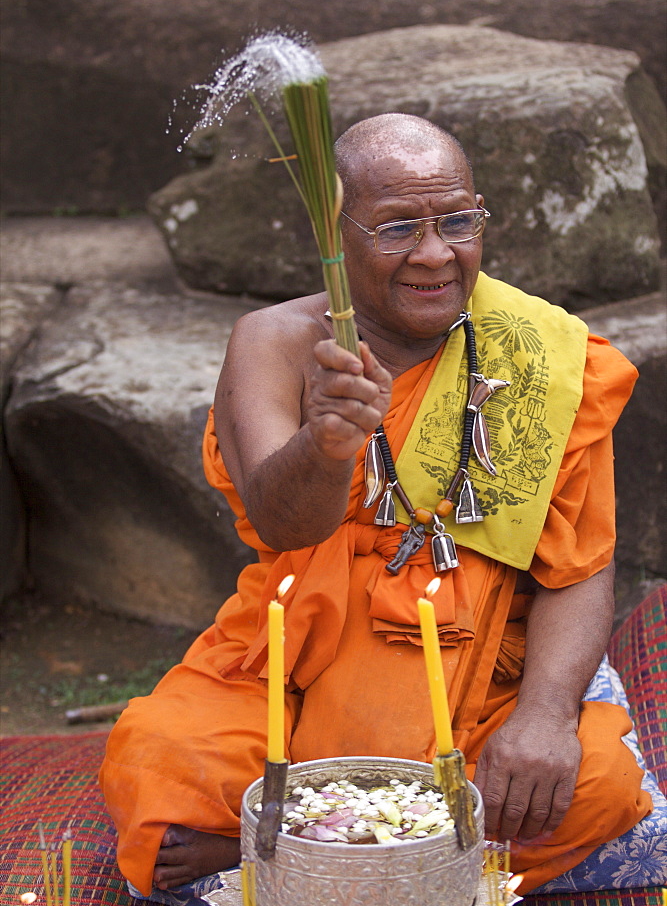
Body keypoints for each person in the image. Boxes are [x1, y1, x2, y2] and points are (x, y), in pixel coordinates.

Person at [100, 113, 651, 899]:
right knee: (162, 766)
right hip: (290, 675)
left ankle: (286, 850)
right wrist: (325, 443)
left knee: (592, 779)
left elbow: (577, 568)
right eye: (397, 228)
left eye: (456, 221)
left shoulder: (540, 356)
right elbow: (283, 524)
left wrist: (542, 719)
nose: (435, 254)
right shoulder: (277, 342)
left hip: (474, 679)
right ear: (335, 233)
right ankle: (391, 854)